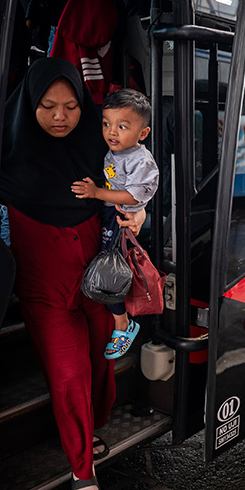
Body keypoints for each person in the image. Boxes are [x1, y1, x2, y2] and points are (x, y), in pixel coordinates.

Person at [0, 57, 145, 490]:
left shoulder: (98, 153)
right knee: (68, 375)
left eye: (71, 106)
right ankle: (82, 470)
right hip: (47, 292)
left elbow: (135, 185)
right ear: (29, 105)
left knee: (102, 364)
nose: (61, 116)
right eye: (47, 106)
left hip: (99, 286)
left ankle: (92, 426)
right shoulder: (7, 157)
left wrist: (136, 211)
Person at [71, 88, 159, 359]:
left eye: (122, 126)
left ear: (142, 133)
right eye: (107, 124)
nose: (112, 132)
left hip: (121, 217)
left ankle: (123, 324)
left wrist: (97, 192)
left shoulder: (140, 160)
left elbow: (133, 195)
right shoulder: (118, 151)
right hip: (112, 214)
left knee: (111, 273)